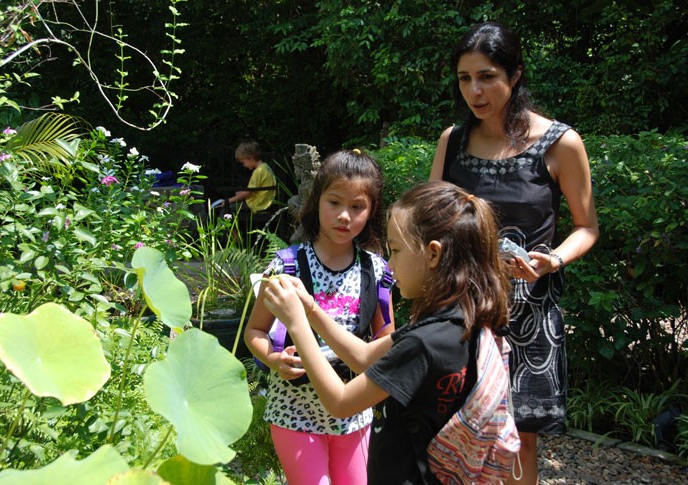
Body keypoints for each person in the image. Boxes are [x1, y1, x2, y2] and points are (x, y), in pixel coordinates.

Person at [429, 22, 599, 484]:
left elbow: (586, 227)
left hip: (529, 313)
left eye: (487, 76)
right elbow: (433, 219)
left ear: (515, 75)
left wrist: (553, 260)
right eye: (464, 78)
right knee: (456, 425)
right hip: (463, 307)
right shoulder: (454, 141)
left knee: (521, 434)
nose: (475, 90)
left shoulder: (560, 142)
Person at [261, 181, 512, 484]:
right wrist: (312, 311)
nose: (390, 265)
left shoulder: (423, 344)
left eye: (395, 250)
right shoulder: (459, 322)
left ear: (433, 254)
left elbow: (341, 402)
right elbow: (364, 357)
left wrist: (297, 324)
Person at [244, 148, 394, 485]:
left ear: (371, 211)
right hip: (295, 412)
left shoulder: (376, 270)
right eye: (334, 203)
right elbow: (254, 330)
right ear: (317, 202)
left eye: (357, 207)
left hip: (354, 415)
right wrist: (273, 359)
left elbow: (386, 340)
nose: (344, 216)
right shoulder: (286, 266)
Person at [223, 139, 277, 213]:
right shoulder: (266, 167)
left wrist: (229, 201)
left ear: (250, 158)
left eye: (243, 162)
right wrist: (241, 193)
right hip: (264, 203)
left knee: (227, 209)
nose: (244, 165)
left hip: (255, 205)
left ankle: (221, 224)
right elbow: (253, 190)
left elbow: (248, 192)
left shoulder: (258, 171)